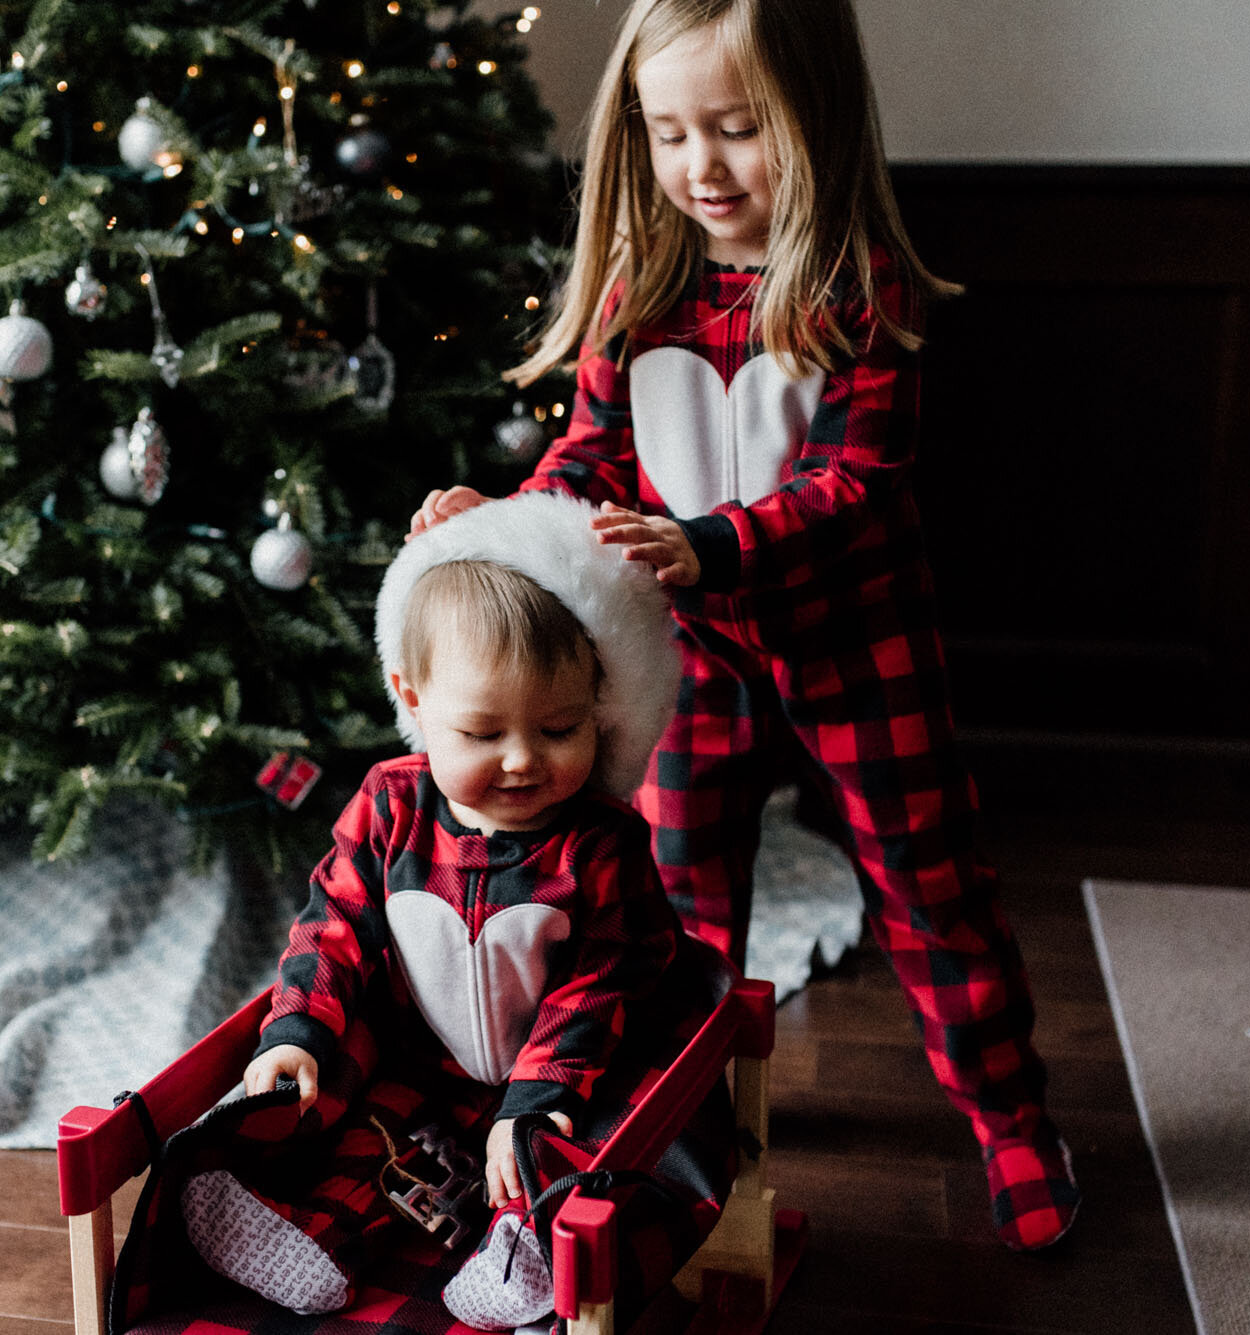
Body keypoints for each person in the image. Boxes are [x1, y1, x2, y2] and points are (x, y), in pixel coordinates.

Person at [408, 0, 1080, 1251]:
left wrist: (703, 544)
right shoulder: (639, 282)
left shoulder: (855, 285)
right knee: (674, 895)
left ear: (812, 122)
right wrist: (487, 523)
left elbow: (854, 483)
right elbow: (588, 460)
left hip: (855, 645)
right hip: (692, 657)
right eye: (668, 135)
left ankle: (1007, 1117)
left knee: (929, 886)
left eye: (735, 128)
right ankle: (689, 1109)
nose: (699, 167)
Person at [181, 492, 699, 1328]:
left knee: (566, 1146)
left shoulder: (600, 843)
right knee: (372, 1136)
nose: (524, 759)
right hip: (419, 1063)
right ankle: (307, 1230)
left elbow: (604, 981)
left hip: (559, 1073)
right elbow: (332, 922)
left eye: (561, 726)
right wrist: (295, 1029)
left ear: (598, 707)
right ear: (413, 699)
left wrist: (533, 1099)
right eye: (484, 732)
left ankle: (526, 1245)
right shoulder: (390, 803)